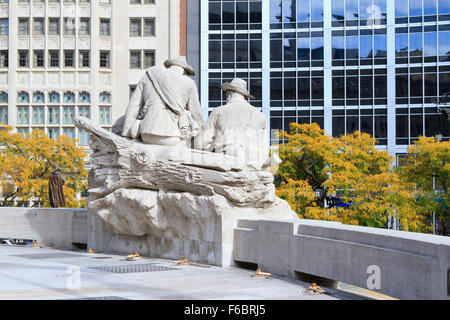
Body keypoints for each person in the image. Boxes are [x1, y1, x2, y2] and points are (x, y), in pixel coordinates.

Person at [121, 56, 203, 147]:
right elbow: (196, 114)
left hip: (147, 134)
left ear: (170, 66)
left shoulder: (149, 75)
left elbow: (133, 106)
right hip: (172, 136)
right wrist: (198, 140)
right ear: (184, 71)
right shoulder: (189, 83)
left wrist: (126, 133)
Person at [197, 78, 269, 170]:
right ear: (244, 96)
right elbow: (264, 150)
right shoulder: (260, 116)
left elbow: (201, 143)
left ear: (229, 94)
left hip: (228, 165)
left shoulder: (219, 112)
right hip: (252, 167)